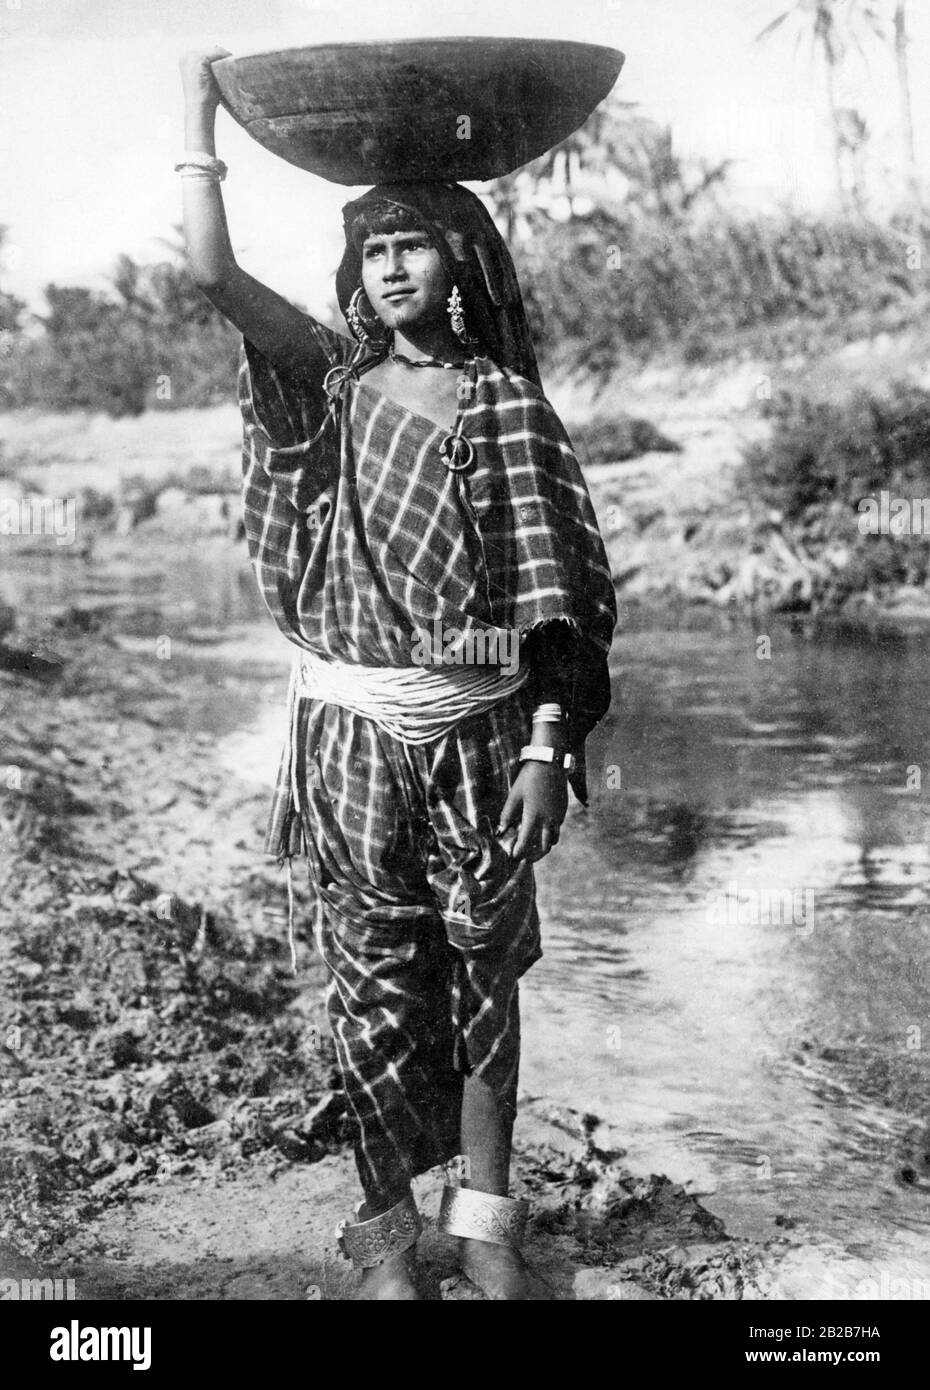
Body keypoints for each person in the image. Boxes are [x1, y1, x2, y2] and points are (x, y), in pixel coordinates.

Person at [179, 47, 617, 1300]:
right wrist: (196, 114)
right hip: (355, 735)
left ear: (464, 264)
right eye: (373, 246)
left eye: (416, 242)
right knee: (368, 983)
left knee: (486, 972)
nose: (391, 263)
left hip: (485, 733)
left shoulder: (506, 408)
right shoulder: (325, 389)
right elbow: (210, 273)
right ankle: (384, 1242)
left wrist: (547, 747)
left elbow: (562, 604)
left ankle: (485, 1227)